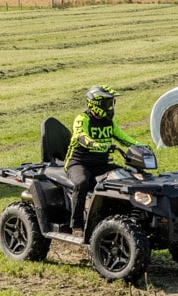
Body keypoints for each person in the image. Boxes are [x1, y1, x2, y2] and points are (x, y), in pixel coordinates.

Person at [64, 84, 149, 232]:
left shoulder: (109, 122)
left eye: (111, 103)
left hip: (101, 165)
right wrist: (95, 144)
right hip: (78, 163)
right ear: (95, 104)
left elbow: (123, 138)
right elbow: (80, 136)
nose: (110, 106)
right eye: (107, 103)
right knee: (82, 183)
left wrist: (141, 146)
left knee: (128, 175)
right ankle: (76, 225)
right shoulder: (82, 118)